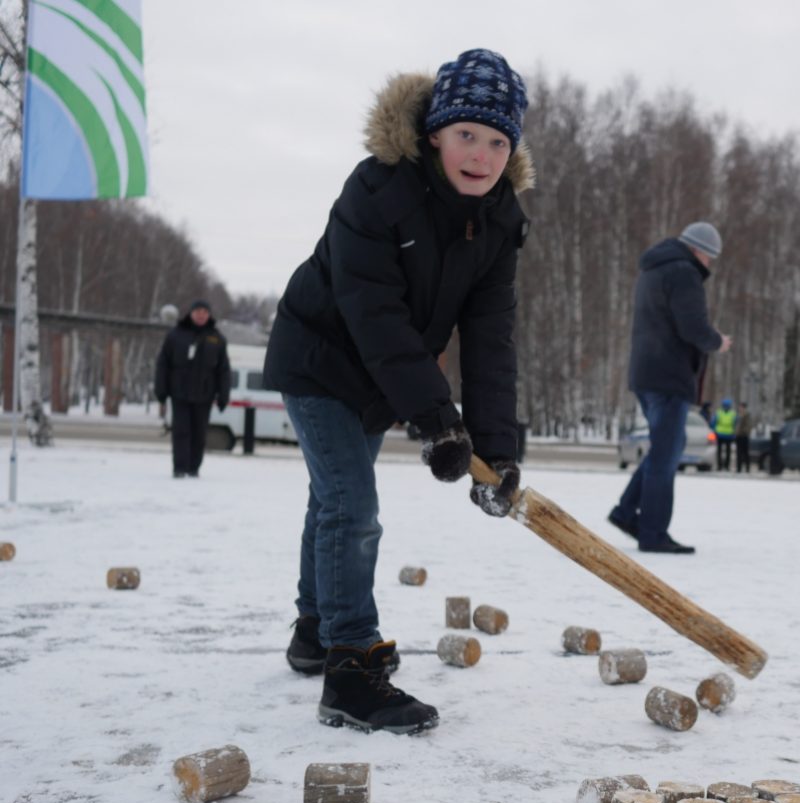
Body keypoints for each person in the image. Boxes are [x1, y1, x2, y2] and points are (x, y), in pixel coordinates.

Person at [263, 49, 532, 735]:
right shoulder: (377, 190)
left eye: (498, 140)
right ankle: (351, 664)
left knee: (333, 498)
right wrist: (437, 420)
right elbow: (373, 311)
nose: (481, 154)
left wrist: (495, 450)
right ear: (435, 132)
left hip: (382, 376)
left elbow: (490, 341)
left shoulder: (498, 223)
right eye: (467, 133)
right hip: (320, 359)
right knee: (352, 503)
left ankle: (314, 629)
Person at [608, 222, 732, 553]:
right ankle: (653, 534)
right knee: (666, 455)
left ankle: (625, 512)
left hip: (648, 373)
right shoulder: (683, 272)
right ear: (699, 251)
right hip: (669, 376)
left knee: (666, 449)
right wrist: (717, 341)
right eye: (710, 258)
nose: (709, 266)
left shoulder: (654, 269)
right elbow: (692, 326)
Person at [154, 299, 230, 478]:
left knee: (199, 434)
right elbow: (163, 364)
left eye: (205, 311)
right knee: (181, 432)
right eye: (198, 311)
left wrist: (223, 395)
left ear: (209, 314)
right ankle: (179, 468)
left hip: (204, 395)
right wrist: (161, 391)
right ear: (191, 313)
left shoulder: (216, 338)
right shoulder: (175, 335)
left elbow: (224, 370)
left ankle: (194, 468)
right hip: (179, 394)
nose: (201, 315)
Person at [712, 397, 736, 471]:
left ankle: (720, 466)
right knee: (727, 452)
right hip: (728, 434)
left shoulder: (719, 412)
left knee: (720, 451)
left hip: (720, 434)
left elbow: (713, 423)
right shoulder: (733, 413)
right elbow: (735, 424)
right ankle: (726, 466)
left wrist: (714, 431)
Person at [734, 401, 753, 473]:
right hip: (739, 436)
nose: (740, 408)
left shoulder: (747, 415)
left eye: (741, 407)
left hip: (744, 436)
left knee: (745, 453)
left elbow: (748, 426)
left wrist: (744, 432)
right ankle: (739, 468)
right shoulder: (738, 415)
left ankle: (747, 468)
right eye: (740, 407)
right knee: (738, 453)